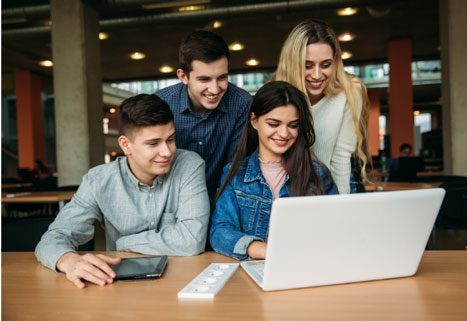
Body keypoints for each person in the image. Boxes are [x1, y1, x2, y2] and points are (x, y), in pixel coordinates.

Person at [35, 94, 210, 288]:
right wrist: (68, 260)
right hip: (118, 286)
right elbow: (53, 238)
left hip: (182, 280)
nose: (167, 151)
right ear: (125, 145)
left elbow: (192, 240)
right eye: (153, 143)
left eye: (170, 139)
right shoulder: (99, 180)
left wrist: (124, 242)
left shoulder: (189, 164)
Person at [209, 81, 338, 260]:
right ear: (254, 121)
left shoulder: (318, 174)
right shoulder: (235, 174)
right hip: (254, 271)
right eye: (274, 124)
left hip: (307, 267)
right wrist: (264, 250)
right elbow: (219, 232)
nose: (284, 133)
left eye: (293, 125)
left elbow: (336, 230)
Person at [272, 18, 370, 194]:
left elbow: (341, 158)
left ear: (336, 60)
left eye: (326, 65)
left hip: (333, 185)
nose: (317, 75)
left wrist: (339, 208)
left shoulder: (349, 91)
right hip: (288, 186)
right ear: (293, 63)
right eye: (307, 66)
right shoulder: (278, 92)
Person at [154, 30, 252, 202]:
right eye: (204, 80)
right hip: (171, 201)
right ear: (183, 76)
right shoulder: (161, 103)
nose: (215, 89)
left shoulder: (242, 103)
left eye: (222, 78)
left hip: (223, 199)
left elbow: (235, 167)